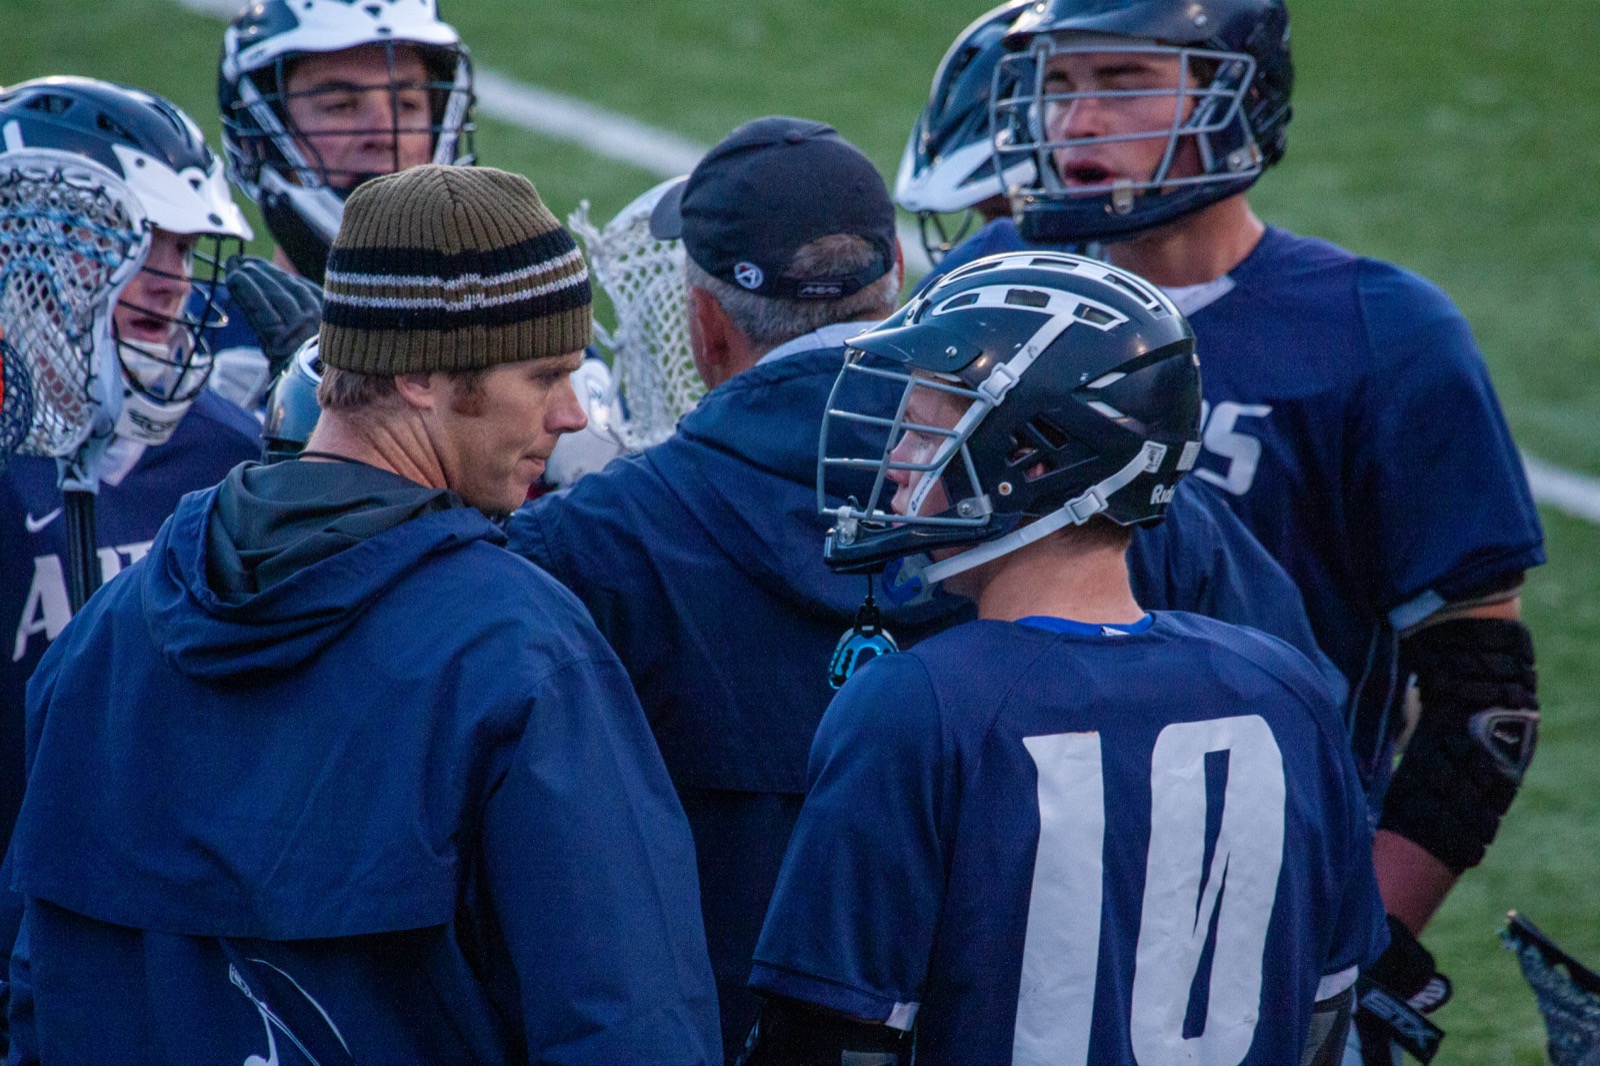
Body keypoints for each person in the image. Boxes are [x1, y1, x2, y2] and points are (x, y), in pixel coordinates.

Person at [506, 115, 1340, 1061]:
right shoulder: (1155, 538)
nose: (900, 465)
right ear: (897, 274)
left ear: (703, 322)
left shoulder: (592, 539)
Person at [925, 0, 1545, 1052]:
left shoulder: (1382, 335)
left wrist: (1363, 934)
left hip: (1253, 880)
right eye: (1060, 86)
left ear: (1237, 97)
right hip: (992, 863)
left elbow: (1482, 699)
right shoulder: (980, 288)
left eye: (1123, 82)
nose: (1078, 123)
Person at [5, 165, 720, 1064]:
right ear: (417, 372)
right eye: (545, 374)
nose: (573, 415)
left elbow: (36, 993)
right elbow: (628, 1026)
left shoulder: (102, 638)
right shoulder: (520, 654)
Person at [740, 250, 1385, 1065]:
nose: (898, 463)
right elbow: (1324, 1016)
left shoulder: (917, 707)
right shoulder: (1285, 690)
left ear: (1033, 458)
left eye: (924, 429)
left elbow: (830, 1041)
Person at [0, 75, 261, 977]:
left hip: (176, 935)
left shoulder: (231, 452)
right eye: (136, 239)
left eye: (184, 249)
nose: (171, 282)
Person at [207, 0, 475, 407]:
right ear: (258, 139)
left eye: (407, 104)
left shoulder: (515, 341)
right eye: (340, 107)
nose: (384, 134)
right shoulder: (190, 346)